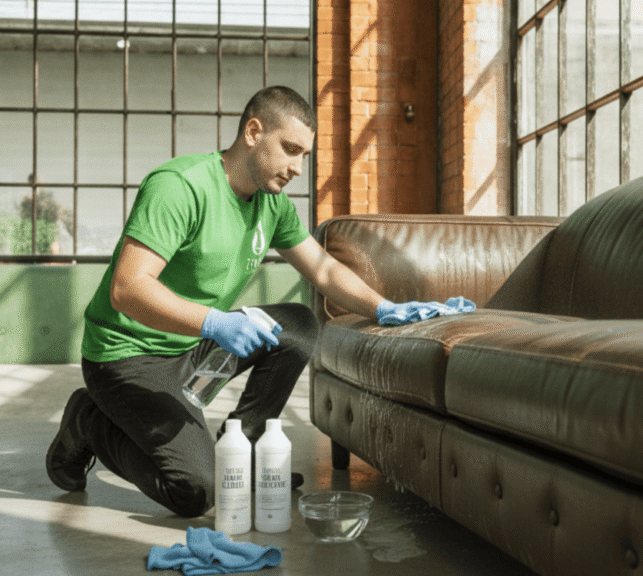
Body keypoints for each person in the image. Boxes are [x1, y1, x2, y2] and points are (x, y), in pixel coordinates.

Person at [46, 85, 473, 518]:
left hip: (191, 343)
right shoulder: (180, 186)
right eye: (290, 149)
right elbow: (128, 290)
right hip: (127, 356)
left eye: (304, 155)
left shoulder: (273, 205)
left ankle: (243, 452)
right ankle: (87, 419)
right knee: (194, 492)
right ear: (253, 131)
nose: (298, 168)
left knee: (298, 325)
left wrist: (384, 308)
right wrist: (215, 323)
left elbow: (323, 270)